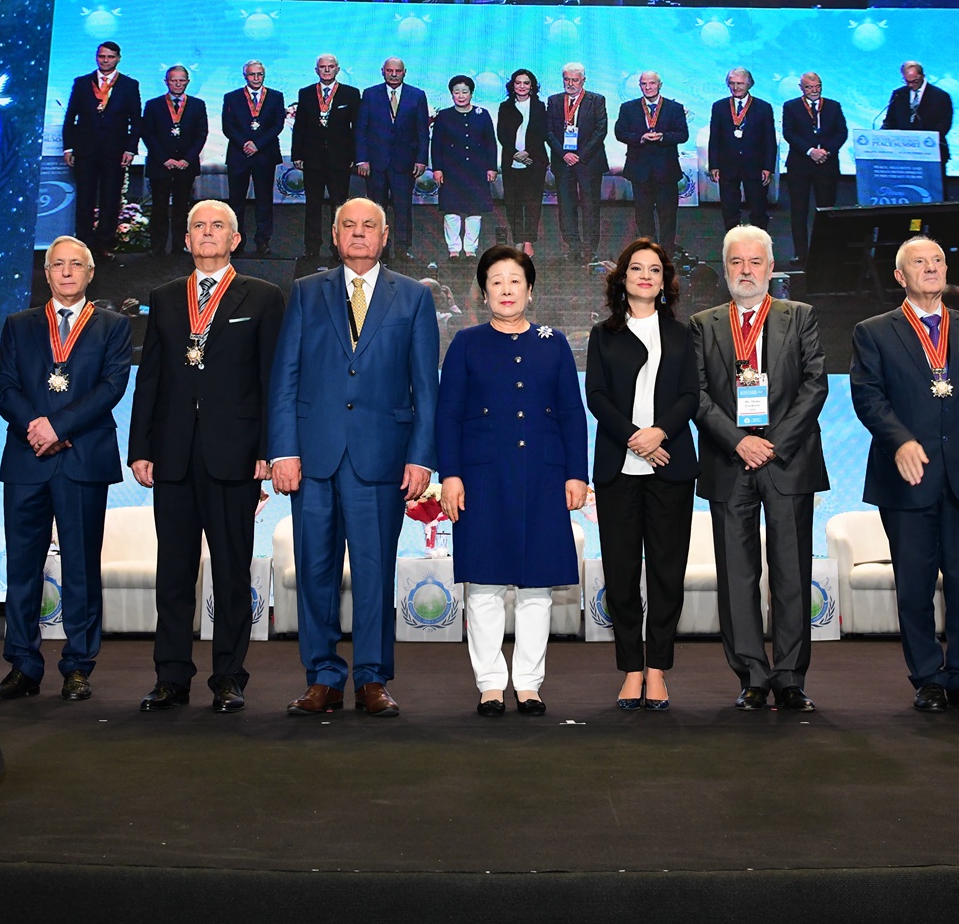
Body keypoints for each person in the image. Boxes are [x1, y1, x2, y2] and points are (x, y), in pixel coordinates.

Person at [269, 198, 440, 716]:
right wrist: (283, 450)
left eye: (369, 227)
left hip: (382, 458)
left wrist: (421, 458)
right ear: (336, 234)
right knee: (315, 571)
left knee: (374, 569)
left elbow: (424, 388)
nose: (359, 234)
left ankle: (371, 677)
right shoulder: (304, 292)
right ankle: (322, 676)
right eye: (349, 225)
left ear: (385, 236)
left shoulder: (412, 298)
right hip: (314, 457)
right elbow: (285, 377)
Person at [850, 236, 959, 713]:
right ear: (900, 277)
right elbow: (868, 397)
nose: (932, 268)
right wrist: (900, 440)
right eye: (919, 263)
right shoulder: (874, 331)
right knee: (915, 583)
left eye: (939, 261)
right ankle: (926, 676)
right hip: (906, 477)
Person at [128, 201, 285, 714]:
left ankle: (228, 676)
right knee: (173, 571)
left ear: (235, 239)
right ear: (188, 239)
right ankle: (171, 676)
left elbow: (271, 381)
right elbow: (148, 378)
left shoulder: (262, 297)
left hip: (235, 455)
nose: (208, 233)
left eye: (218, 226)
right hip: (172, 454)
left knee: (232, 571)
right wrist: (140, 448)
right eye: (199, 226)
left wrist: (269, 451)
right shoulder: (165, 297)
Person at [436, 247, 590, 716]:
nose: (506, 289)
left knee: (536, 586)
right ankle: (488, 682)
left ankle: (527, 682)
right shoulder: (466, 342)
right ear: (484, 293)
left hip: (542, 477)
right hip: (482, 478)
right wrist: (451, 475)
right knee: (482, 585)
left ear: (530, 289)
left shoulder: (554, 342)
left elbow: (570, 414)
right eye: (496, 282)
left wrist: (576, 474)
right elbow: (449, 416)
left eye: (515, 281)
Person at [0, 236, 134, 701]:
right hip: (27, 458)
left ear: (91, 274)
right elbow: (4, 386)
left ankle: (78, 664)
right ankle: (23, 665)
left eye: (77, 265)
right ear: (46, 273)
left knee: (81, 566)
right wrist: (37, 425)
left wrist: (58, 426)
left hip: (82, 459)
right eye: (58, 265)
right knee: (22, 567)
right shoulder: (19, 324)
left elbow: (112, 386)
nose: (67, 272)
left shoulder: (113, 325)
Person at [690, 226, 828, 712]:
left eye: (755, 262)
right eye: (736, 262)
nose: (746, 271)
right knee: (737, 576)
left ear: (771, 268)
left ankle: (790, 677)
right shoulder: (704, 324)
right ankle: (750, 673)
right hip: (730, 461)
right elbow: (698, 395)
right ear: (725, 268)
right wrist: (740, 441)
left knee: (791, 572)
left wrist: (770, 445)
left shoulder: (800, 317)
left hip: (787, 461)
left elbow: (815, 386)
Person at [584, 238, 698, 711]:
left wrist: (660, 435)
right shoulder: (603, 333)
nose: (645, 276)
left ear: (664, 280)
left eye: (654, 269)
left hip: (671, 470)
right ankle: (632, 669)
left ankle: (658, 671)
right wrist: (637, 437)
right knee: (623, 574)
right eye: (636, 268)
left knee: (669, 575)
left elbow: (691, 396)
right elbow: (597, 397)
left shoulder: (681, 333)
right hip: (619, 470)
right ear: (622, 279)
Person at [61, 41, 144, 258]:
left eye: (110, 57)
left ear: (118, 58)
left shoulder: (129, 85)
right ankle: (83, 247)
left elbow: (136, 121)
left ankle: (104, 245)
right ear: (96, 57)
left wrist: (130, 149)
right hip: (85, 150)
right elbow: (70, 117)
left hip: (115, 152)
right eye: (101, 56)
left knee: (110, 199)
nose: (105, 60)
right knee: (85, 199)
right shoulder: (81, 83)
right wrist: (68, 147)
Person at [354, 57, 429, 262]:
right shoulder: (370, 94)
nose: (393, 74)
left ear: (405, 72)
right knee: (377, 209)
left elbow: (423, 131)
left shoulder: (417, 95)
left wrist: (421, 159)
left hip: (404, 163)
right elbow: (361, 128)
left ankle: (403, 248)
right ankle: (378, 249)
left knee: (403, 207)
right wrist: (361, 159)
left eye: (397, 71)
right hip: (376, 163)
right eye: (389, 71)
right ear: (382, 71)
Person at [290, 54, 362, 261]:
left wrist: (355, 156)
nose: (327, 70)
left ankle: (338, 246)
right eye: (323, 67)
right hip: (312, 160)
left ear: (338, 69)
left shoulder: (350, 94)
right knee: (313, 205)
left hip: (340, 159)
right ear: (316, 70)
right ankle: (312, 247)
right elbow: (300, 127)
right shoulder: (305, 93)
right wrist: (297, 154)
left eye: (331, 67)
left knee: (339, 207)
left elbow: (356, 128)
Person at [616, 71, 689, 252]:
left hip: (666, 170)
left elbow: (683, 134)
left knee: (668, 215)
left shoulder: (675, 108)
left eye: (652, 84)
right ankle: (648, 249)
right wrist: (640, 138)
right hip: (640, 170)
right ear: (640, 86)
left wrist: (663, 137)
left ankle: (667, 251)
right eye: (644, 84)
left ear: (660, 85)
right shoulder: (628, 108)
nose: (648, 87)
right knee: (643, 215)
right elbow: (620, 133)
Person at [139, 65, 208, 256]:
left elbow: (201, 134)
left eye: (181, 80)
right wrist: (164, 159)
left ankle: (181, 245)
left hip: (186, 166)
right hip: (160, 165)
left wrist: (187, 159)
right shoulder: (153, 105)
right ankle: (157, 247)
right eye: (173, 80)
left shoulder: (197, 105)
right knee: (159, 207)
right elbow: (148, 134)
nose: (177, 84)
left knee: (182, 208)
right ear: (166, 82)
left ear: (187, 82)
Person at [781, 72, 849, 264]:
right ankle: (801, 253)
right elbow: (789, 133)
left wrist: (826, 151)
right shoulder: (791, 106)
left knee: (827, 210)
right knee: (799, 210)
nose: (814, 90)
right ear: (801, 88)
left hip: (826, 165)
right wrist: (810, 151)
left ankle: (825, 251)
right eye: (809, 87)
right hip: (799, 166)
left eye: (817, 86)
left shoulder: (833, 106)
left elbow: (841, 132)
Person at [546, 62, 609, 265]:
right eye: (566, 79)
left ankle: (590, 248)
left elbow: (601, 130)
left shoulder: (597, 100)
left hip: (588, 161)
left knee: (590, 206)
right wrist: (564, 154)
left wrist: (580, 155)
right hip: (562, 161)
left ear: (583, 80)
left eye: (574, 80)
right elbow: (548, 131)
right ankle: (572, 246)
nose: (570, 83)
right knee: (566, 206)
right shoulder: (554, 101)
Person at [430, 75, 498, 260]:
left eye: (464, 92)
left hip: (476, 170)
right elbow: (436, 144)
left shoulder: (482, 114)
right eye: (456, 92)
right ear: (451, 94)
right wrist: (438, 169)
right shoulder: (444, 116)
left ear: (472, 93)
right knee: (451, 210)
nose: (460, 96)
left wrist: (492, 167)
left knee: (474, 211)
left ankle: (470, 249)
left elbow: (490, 143)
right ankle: (453, 249)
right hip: (451, 170)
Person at [222, 60, 285, 257]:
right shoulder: (231, 97)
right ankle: (237, 241)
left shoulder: (275, 96)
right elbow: (228, 126)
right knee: (236, 201)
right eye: (252, 75)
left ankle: (263, 241)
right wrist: (245, 144)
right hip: (239, 155)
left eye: (259, 74)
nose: (256, 78)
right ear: (245, 76)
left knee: (264, 200)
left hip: (264, 154)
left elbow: (277, 125)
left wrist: (258, 144)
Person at [707, 67, 777, 232]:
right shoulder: (719, 107)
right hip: (727, 166)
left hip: (755, 166)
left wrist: (768, 167)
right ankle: (733, 241)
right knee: (729, 209)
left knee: (758, 208)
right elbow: (714, 138)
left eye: (740, 83)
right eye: (732, 83)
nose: (736, 87)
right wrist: (714, 165)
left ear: (749, 84)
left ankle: (759, 243)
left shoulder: (763, 107)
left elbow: (769, 140)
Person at [497, 69, 549, 256]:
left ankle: (528, 241)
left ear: (532, 86)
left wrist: (528, 152)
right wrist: (514, 154)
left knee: (532, 203)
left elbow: (543, 132)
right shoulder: (505, 107)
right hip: (512, 163)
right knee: (513, 204)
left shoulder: (540, 106)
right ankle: (518, 238)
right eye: (518, 82)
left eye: (526, 83)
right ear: (512, 85)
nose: (522, 86)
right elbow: (501, 134)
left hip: (534, 162)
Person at [880, 59, 953, 167]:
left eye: (914, 81)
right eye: (906, 81)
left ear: (922, 76)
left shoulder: (940, 96)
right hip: (901, 154)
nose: (910, 85)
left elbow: (945, 123)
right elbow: (890, 121)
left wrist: (922, 141)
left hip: (931, 153)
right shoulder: (898, 94)